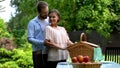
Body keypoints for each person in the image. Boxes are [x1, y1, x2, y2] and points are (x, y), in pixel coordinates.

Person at [27, 1, 49, 68]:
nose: (46, 14)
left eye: (47, 12)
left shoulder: (49, 20)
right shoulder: (32, 23)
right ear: (39, 12)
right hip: (38, 53)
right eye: (44, 13)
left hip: (49, 52)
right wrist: (43, 43)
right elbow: (29, 38)